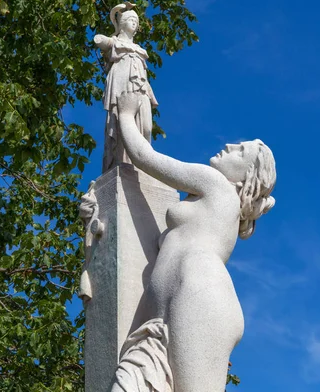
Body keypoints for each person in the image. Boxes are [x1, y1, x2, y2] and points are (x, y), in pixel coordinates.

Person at [111, 92, 277, 392]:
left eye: (240, 152)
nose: (229, 145)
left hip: (198, 295)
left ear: (246, 179)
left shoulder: (215, 185)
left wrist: (126, 115)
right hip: (173, 307)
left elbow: (147, 159)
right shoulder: (223, 209)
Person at [94, 3, 158, 172]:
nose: (134, 23)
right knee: (121, 124)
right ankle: (122, 163)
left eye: (136, 21)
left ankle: (144, 164)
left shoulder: (139, 49)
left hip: (141, 87)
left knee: (145, 127)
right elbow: (100, 40)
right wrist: (105, 38)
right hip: (122, 84)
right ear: (122, 23)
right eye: (130, 19)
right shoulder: (115, 42)